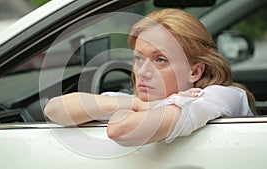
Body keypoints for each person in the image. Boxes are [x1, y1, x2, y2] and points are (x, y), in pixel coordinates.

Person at [44, 8, 256, 147]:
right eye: (138, 58)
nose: (143, 72)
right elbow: (54, 110)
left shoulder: (222, 96)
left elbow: (120, 130)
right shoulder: (141, 102)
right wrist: (136, 102)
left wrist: (137, 107)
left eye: (160, 60)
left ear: (195, 72)